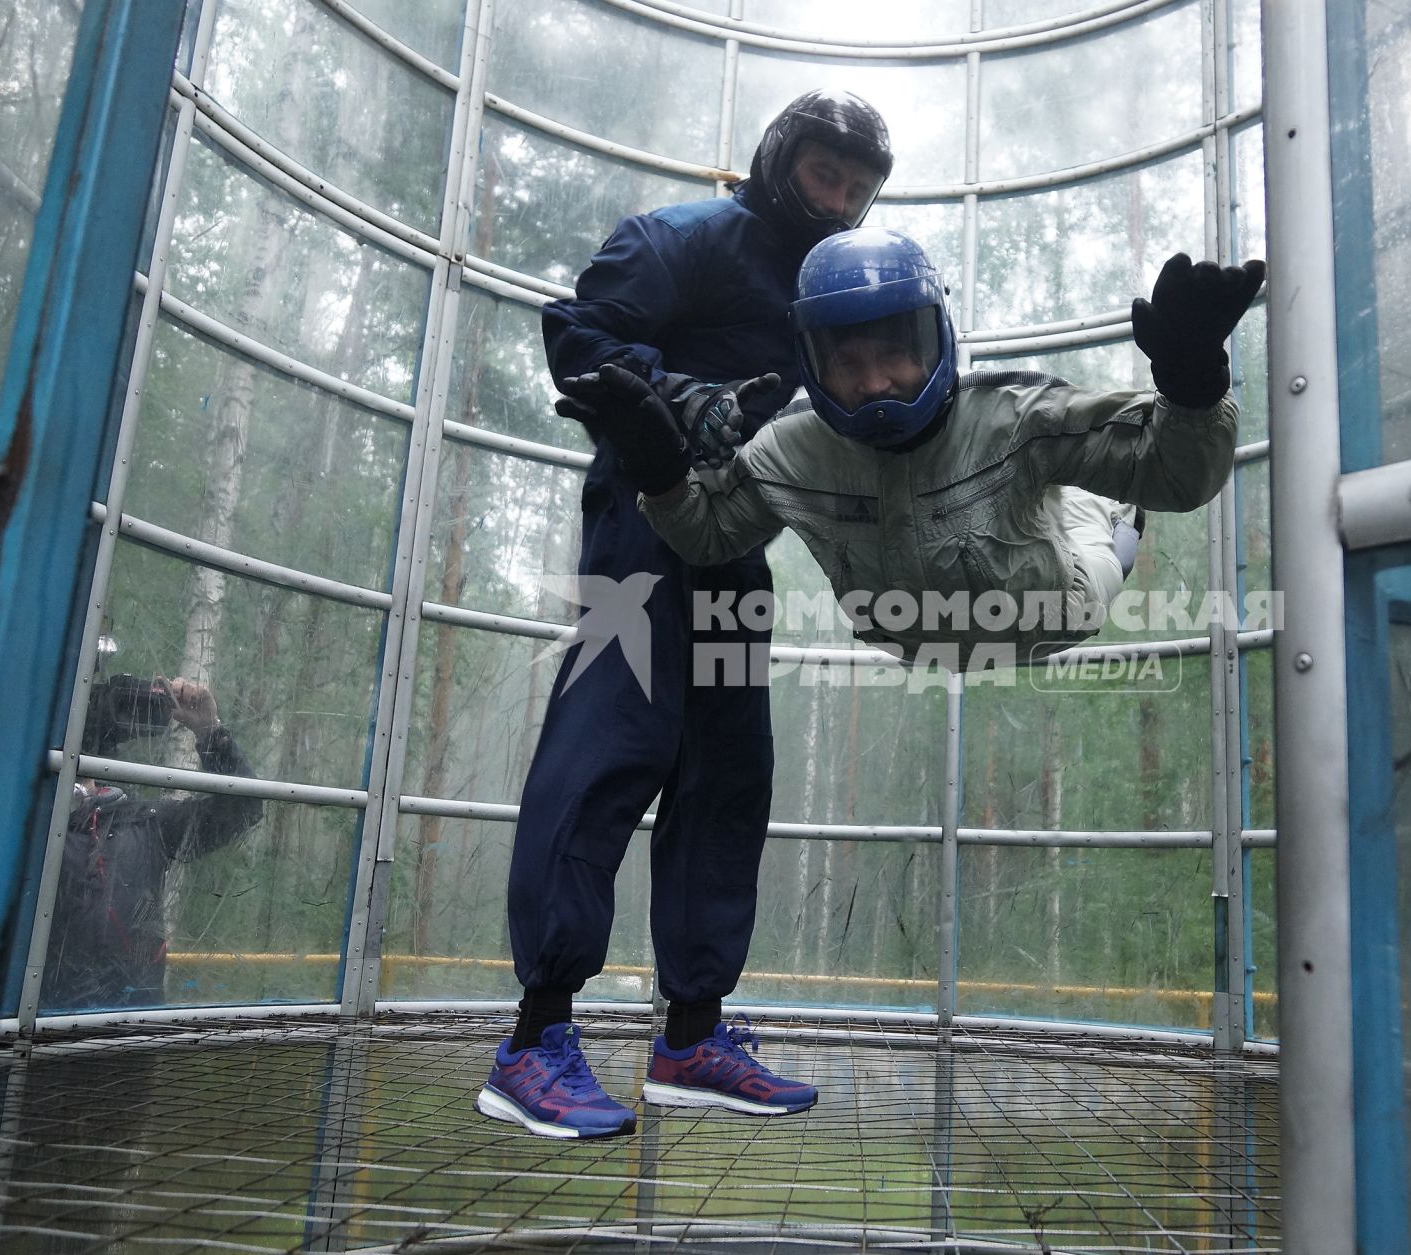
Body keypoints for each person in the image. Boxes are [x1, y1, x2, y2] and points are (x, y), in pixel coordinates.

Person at [478, 90, 894, 1140]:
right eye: (821, 173)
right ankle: (533, 1040)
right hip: (637, 526)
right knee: (607, 744)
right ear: (778, 158)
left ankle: (688, 1035)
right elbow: (581, 332)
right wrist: (677, 396)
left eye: (855, 185)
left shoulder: (825, 292)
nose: (836, 197)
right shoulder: (690, 236)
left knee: (725, 765)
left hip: (729, 546)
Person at [562, 230, 1266, 667]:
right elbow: (711, 537)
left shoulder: (1017, 415)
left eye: (897, 352)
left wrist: (1192, 381)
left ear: (938, 338)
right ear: (811, 362)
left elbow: (1176, 479)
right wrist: (659, 472)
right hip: (904, 638)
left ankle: (1111, 518)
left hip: (1058, 613)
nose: (875, 384)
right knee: (1071, 473)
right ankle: (1086, 489)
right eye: (847, 362)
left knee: (1107, 512)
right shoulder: (792, 451)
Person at [41, 674, 262, 1010]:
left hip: (128, 1029)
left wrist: (209, 730)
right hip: (32, 1023)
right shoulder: (29, 818)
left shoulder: (143, 820)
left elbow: (242, 807)